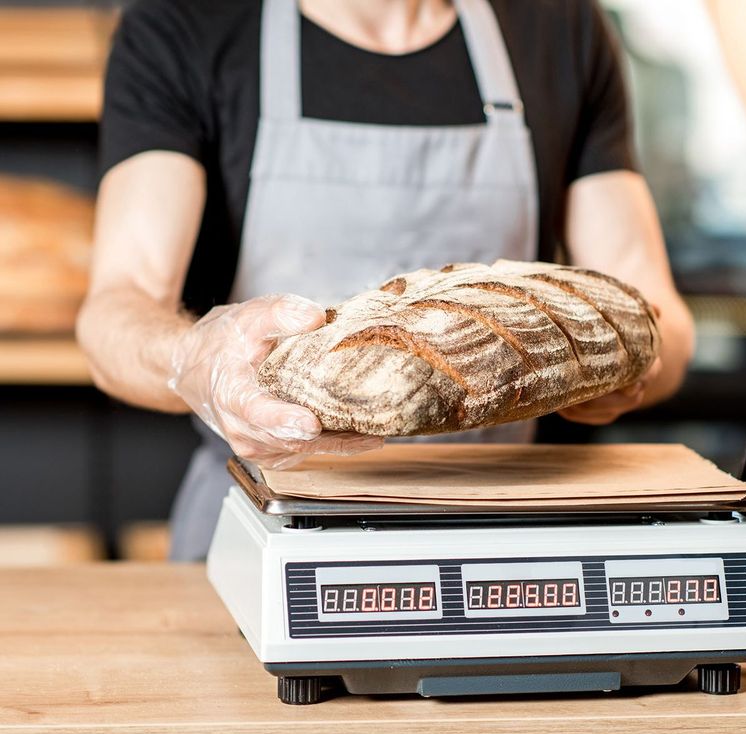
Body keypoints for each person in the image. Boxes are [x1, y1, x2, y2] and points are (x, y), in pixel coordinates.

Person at [77, 0, 695, 560]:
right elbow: (116, 308)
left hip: (504, 536)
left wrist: (613, 364)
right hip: (268, 526)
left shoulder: (559, 26)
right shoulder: (183, 24)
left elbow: (658, 313)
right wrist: (195, 357)